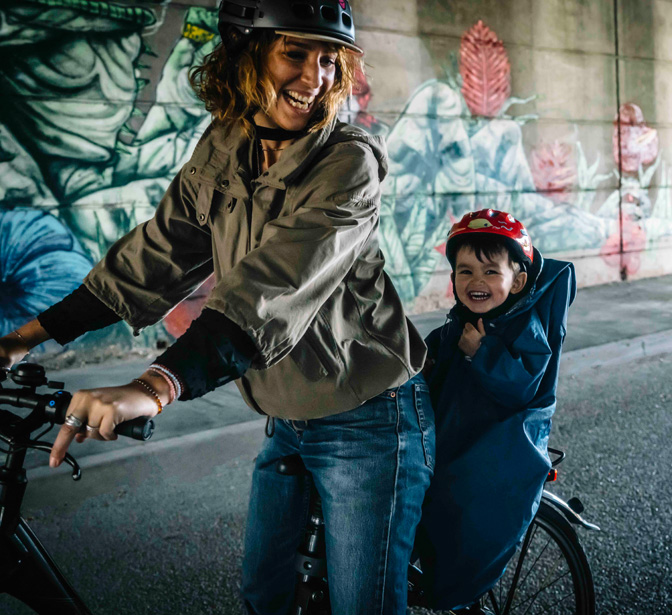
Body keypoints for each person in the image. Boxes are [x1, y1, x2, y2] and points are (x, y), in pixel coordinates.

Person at [0, 1, 434, 613]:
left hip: (367, 419)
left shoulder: (348, 162)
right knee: (264, 596)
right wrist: (27, 335)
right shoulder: (228, 142)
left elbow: (268, 291)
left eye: (330, 60)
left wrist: (153, 387)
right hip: (287, 413)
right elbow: (156, 255)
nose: (317, 78)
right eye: (295, 53)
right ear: (245, 51)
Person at [414, 209, 576, 611]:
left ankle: (450, 594)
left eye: (490, 272)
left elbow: (523, 384)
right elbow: (426, 361)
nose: (476, 282)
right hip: (451, 445)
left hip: (494, 454)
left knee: (462, 518)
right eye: (465, 272)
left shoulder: (523, 327)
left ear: (518, 280)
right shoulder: (458, 324)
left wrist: (482, 352)